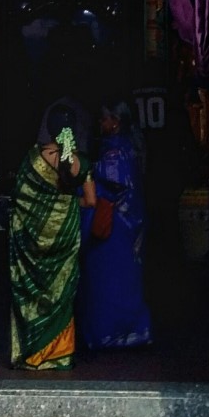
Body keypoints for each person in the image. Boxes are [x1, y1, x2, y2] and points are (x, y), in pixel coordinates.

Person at [9, 99, 91, 370]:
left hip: (32, 246)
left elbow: (20, 200)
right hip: (65, 240)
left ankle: (33, 355)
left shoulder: (31, 160)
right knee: (61, 292)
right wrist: (67, 205)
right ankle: (59, 354)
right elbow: (90, 201)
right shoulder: (79, 162)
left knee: (36, 293)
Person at [79, 102, 152, 351]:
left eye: (104, 119)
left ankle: (111, 334)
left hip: (115, 226)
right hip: (127, 220)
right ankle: (129, 331)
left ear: (115, 122)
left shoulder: (115, 150)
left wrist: (86, 172)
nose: (101, 124)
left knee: (109, 280)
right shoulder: (128, 146)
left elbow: (115, 181)